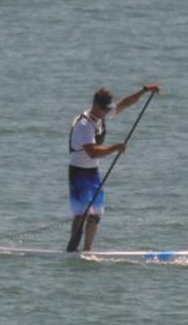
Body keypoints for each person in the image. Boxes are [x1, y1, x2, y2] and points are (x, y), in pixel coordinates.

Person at [68, 81, 159, 252]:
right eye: (102, 109)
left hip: (92, 171)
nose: (104, 113)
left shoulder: (102, 113)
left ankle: (87, 250)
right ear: (95, 104)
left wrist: (145, 91)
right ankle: (72, 249)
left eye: (106, 109)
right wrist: (115, 148)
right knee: (81, 213)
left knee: (96, 213)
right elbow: (92, 152)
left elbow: (124, 103)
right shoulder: (83, 125)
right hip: (79, 172)